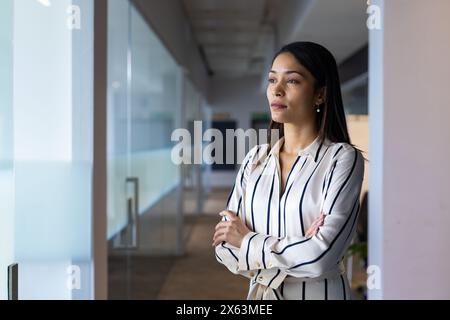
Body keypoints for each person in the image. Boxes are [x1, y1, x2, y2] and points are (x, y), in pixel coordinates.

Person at [212, 41, 365, 300]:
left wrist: (247, 239)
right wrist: (298, 249)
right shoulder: (255, 160)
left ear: (320, 94)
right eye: (272, 80)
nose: (277, 90)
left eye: (292, 81)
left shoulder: (341, 159)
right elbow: (224, 246)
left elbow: (320, 257)